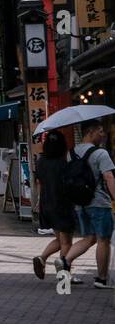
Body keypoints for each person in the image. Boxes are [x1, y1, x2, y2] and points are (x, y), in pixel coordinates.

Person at [54, 121, 115, 288]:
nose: (103, 135)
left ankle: (65, 260)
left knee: (89, 238)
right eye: (100, 131)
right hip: (100, 203)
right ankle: (101, 279)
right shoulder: (101, 153)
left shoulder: (71, 153)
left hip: (80, 204)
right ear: (90, 132)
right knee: (103, 239)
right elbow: (109, 177)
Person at [31, 129, 79, 282]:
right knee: (66, 242)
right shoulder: (63, 163)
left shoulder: (41, 162)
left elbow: (39, 183)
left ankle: (42, 258)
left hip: (47, 203)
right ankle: (64, 275)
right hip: (62, 204)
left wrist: (38, 202)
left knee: (60, 239)